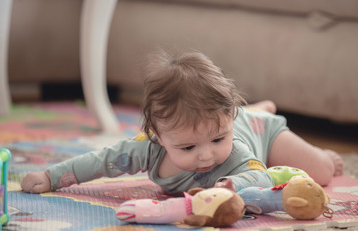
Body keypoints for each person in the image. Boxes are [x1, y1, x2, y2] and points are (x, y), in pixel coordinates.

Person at [21, 51, 343, 194]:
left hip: (264, 134)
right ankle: (254, 111)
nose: (206, 156)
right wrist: (51, 176)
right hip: (237, 121)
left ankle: (259, 114)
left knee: (323, 172)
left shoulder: (234, 152)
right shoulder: (147, 149)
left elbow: (260, 177)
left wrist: (235, 184)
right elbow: (102, 161)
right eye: (188, 146)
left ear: (227, 120)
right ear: (157, 136)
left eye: (217, 139)